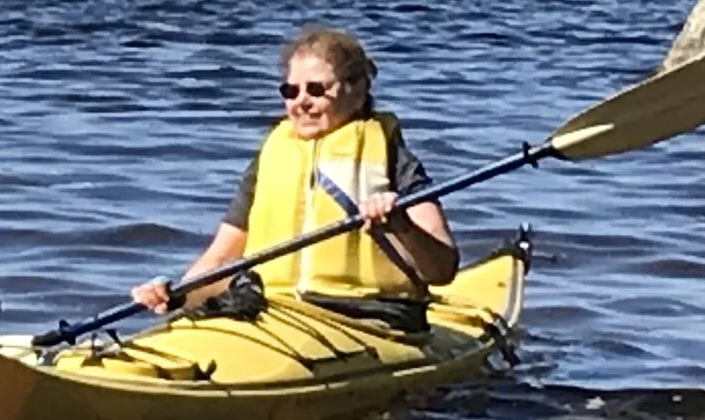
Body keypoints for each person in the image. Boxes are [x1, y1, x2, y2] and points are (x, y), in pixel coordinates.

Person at [132, 26, 460, 332]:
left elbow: (442, 269)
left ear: (358, 91)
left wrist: (399, 224)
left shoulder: (391, 157)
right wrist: (174, 294)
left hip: (372, 318)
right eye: (291, 91)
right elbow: (220, 260)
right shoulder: (271, 157)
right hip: (276, 313)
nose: (300, 101)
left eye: (316, 89)